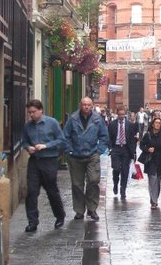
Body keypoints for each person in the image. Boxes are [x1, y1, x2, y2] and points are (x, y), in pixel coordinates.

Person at [21, 99, 67, 232]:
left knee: (52, 191)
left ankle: (59, 216)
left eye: (33, 112)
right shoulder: (27, 126)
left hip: (49, 161)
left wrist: (46, 145)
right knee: (31, 192)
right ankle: (32, 221)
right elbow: (24, 141)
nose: (31, 115)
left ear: (41, 110)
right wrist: (28, 147)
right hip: (34, 161)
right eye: (29, 112)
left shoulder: (52, 123)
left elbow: (61, 140)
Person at [64, 97, 109, 221]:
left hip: (92, 155)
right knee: (77, 185)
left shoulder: (97, 119)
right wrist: (70, 150)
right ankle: (79, 210)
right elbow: (66, 136)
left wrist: (99, 151)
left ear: (92, 105)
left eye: (88, 105)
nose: (86, 107)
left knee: (93, 181)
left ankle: (92, 208)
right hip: (76, 156)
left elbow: (104, 136)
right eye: (84, 104)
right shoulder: (73, 119)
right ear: (80, 105)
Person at [139, 116, 161, 209]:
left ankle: (155, 198)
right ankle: (153, 201)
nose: (158, 124)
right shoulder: (148, 134)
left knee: (157, 182)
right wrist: (147, 149)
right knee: (152, 180)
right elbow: (141, 145)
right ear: (153, 124)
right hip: (150, 160)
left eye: (159, 123)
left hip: (160, 161)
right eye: (156, 123)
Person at [108, 106, 139, 199]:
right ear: (117, 114)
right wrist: (110, 148)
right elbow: (108, 137)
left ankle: (123, 190)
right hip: (116, 149)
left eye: (123, 114)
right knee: (116, 169)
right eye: (120, 114)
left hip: (126, 149)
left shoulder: (130, 125)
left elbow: (133, 139)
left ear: (125, 114)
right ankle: (115, 184)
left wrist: (133, 152)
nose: (121, 116)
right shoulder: (112, 124)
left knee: (125, 171)